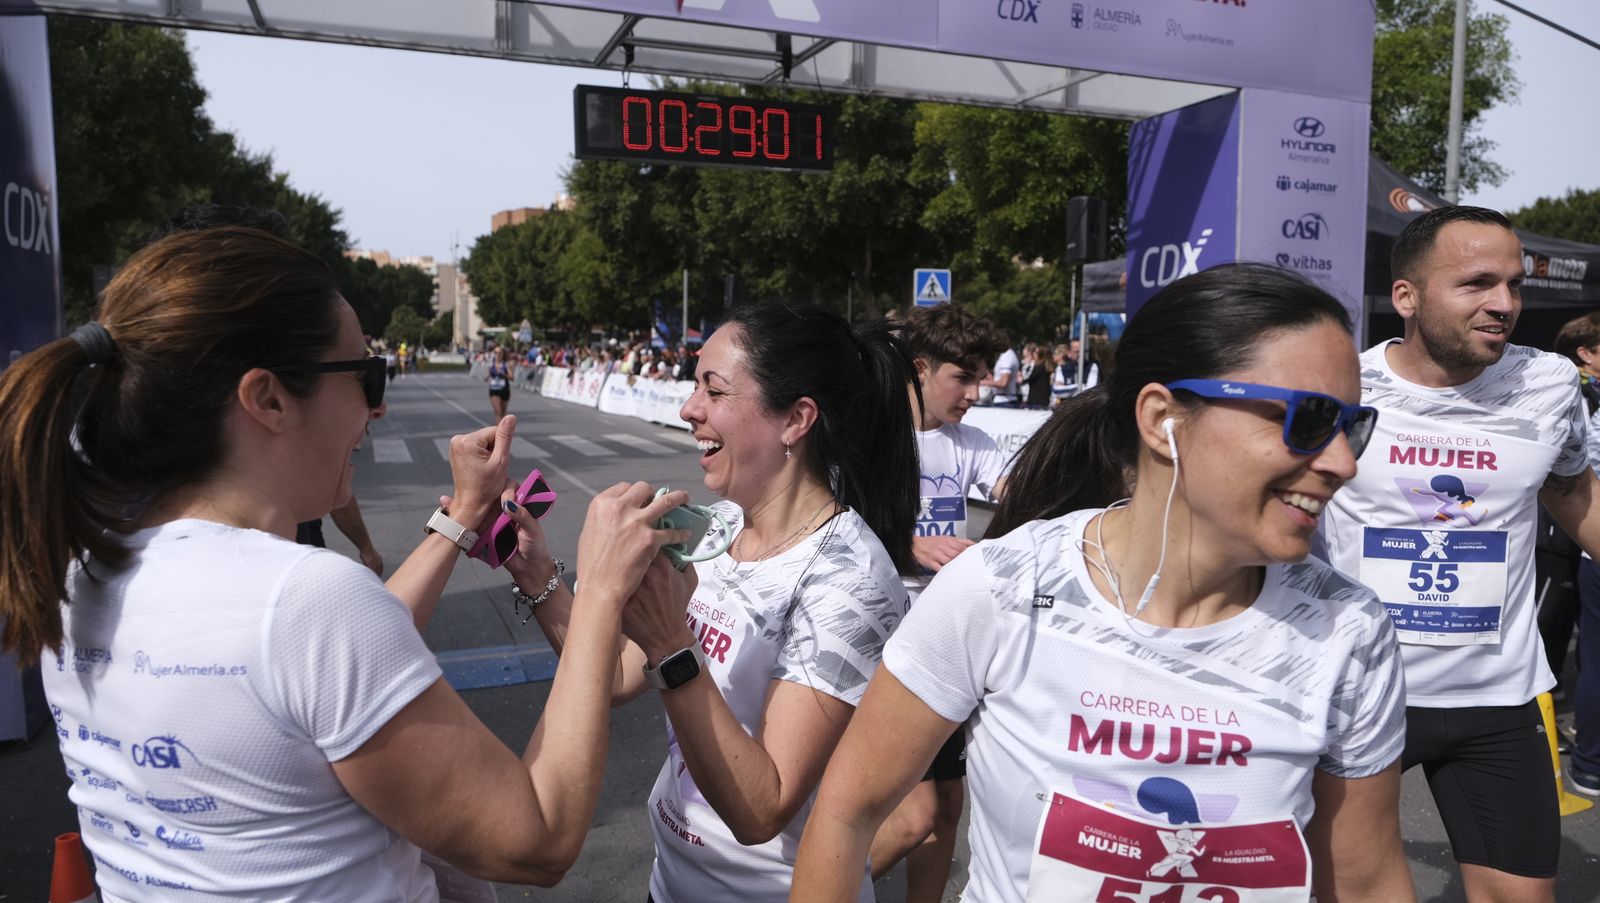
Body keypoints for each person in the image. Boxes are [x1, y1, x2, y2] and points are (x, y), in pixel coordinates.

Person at [0, 226, 691, 899]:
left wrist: (461, 519)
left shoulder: (80, 567)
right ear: (267, 398)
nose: (380, 405)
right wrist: (599, 588)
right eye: (366, 374)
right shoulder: (308, 597)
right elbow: (535, 840)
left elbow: (326, 676)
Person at [793, 263, 1412, 903]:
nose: (1342, 462)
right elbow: (847, 813)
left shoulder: (1349, 631)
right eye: (1308, 419)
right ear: (1161, 418)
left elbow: (1367, 882)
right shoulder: (999, 588)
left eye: (1351, 426)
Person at [526, 302, 920, 902]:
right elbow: (611, 673)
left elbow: (762, 810)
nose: (688, 409)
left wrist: (671, 645)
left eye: (714, 389)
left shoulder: (850, 581)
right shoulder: (716, 528)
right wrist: (533, 572)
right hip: (671, 883)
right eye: (693, 387)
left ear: (796, 419)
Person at [1317, 206, 1600, 902]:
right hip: (1359, 694)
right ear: (1406, 297)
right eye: (1476, 283)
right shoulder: (1342, 390)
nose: (1504, 304)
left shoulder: (1550, 384)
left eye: (1514, 284)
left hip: (1498, 698)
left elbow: (1569, 489)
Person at [870, 303, 1011, 902]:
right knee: (911, 814)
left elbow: (1021, 492)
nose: (976, 392)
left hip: (948, 645)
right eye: (964, 377)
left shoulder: (971, 443)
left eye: (983, 376)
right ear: (921, 368)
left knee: (948, 806)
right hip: (875, 643)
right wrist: (907, 543)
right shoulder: (869, 437)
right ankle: (789, 890)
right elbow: (823, 522)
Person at [1548, 311, 1600, 772]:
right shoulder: (1572, 393)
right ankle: (1589, 760)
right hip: (1569, 535)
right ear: (1586, 353)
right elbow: (1571, 480)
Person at [982, 340, 1020, 406]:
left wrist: (982, 382)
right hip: (1003, 400)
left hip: (1005, 401)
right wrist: (991, 379)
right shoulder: (1007, 355)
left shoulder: (1007, 356)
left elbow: (1003, 383)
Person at [1024, 343, 1054, 409]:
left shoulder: (1040, 367)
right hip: (1041, 400)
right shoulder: (1043, 366)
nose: (1033, 353)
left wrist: (1027, 364)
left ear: (1041, 355)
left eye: (1036, 352)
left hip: (1037, 401)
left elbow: (1028, 378)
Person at [486, 345, 513, 419]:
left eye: (500, 353)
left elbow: (512, 378)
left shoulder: (506, 365)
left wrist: (504, 374)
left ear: (503, 354)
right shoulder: (491, 364)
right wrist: (489, 374)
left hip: (504, 389)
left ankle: (503, 429)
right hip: (494, 389)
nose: (498, 354)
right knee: (498, 412)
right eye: (496, 352)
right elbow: (485, 378)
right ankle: (499, 430)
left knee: (503, 412)